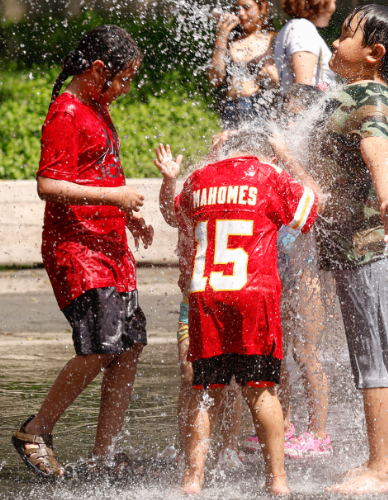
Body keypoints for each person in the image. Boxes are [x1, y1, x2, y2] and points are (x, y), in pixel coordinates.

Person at [272, 5, 388, 494]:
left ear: (373, 54)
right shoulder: (346, 93)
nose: (334, 43)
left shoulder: (371, 94)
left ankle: (384, 469)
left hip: (372, 244)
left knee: (375, 354)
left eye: (346, 36)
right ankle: (378, 461)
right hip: (347, 248)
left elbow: (377, 146)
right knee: (366, 353)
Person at [11, 25, 154, 479]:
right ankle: (36, 429)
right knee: (98, 346)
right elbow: (48, 186)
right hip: (77, 249)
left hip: (110, 245)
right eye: (124, 78)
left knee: (128, 346)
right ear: (97, 69)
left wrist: (128, 215)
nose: (127, 87)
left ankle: (104, 456)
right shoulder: (66, 112)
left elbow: (100, 176)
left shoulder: (97, 107)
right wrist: (117, 200)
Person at [155, 131, 321, 495]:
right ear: (265, 154)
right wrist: (287, 158)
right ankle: (277, 482)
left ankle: (192, 480)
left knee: (205, 389)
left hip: (204, 296)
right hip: (253, 296)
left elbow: (176, 214)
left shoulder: (200, 178)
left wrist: (187, 170)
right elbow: (312, 208)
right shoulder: (269, 175)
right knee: (261, 391)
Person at [244, 83, 333, 459]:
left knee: (305, 350)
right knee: (275, 352)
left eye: (297, 115)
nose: (288, 121)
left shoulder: (315, 155)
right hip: (272, 265)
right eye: (285, 113)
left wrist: (285, 156)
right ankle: (285, 423)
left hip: (305, 267)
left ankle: (320, 433)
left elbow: (318, 199)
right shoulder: (273, 156)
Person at [157, 142, 244, 470]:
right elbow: (169, 213)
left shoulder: (241, 194)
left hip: (230, 298)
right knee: (189, 374)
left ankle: (228, 448)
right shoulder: (196, 189)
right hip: (192, 302)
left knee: (232, 377)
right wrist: (169, 182)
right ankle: (187, 449)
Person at [207, 0, 279, 129]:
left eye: (246, 7)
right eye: (237, 8)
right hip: (229, 107)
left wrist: (274, 78)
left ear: (262, 7)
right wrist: (221, 36)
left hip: (259, 109)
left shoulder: (275, 40)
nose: (241, 13)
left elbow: (287, 83)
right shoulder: (230, 40)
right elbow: (214, 79)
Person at [273, 0, 337, 97]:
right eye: (334, 2)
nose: (334, 8)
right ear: (320, 3)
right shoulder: (303, 28)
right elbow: (302, 91)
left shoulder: (293, 26)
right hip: (307, 109)